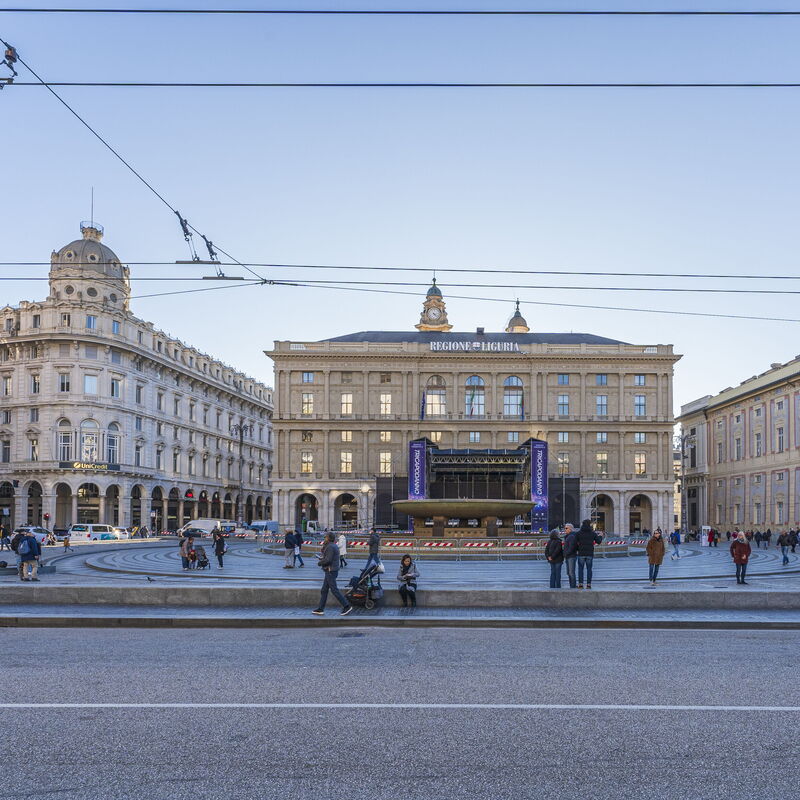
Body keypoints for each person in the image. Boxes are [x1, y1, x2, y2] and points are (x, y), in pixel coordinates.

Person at [312, 532, 352, 616]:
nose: (324, 538)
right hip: (330, 570)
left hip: (330, 570)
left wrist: (320, 562)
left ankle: (347, 606)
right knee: (324, 590)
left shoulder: (330, 546)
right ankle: (320, 609)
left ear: (329, 538)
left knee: (334, 590)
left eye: (325, 537)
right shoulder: (332, 545)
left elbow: (328, 560)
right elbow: (328, 557)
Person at [576, 519, 603, 589]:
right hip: (589, 553)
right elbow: (599, 541)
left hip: (581, 553)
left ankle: (580, 584)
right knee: (589, 569)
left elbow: (575, 542)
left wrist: (577, 549)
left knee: (580, 569)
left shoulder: (579, 533)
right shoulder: (592, 533)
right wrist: (600, 536)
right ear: (589, 525)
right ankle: (588, 584)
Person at [562, 523, 578, 588]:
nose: (564, 529)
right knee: (569, 573)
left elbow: (571, 547)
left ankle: (573, 586)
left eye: (566, 528)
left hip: (571, 556)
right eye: (564, 528)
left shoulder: (571, 536)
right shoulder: (568, 536)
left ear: (570, 529)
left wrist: (565, 554)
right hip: (568, 556)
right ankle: (571, 585)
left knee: (571, 572)